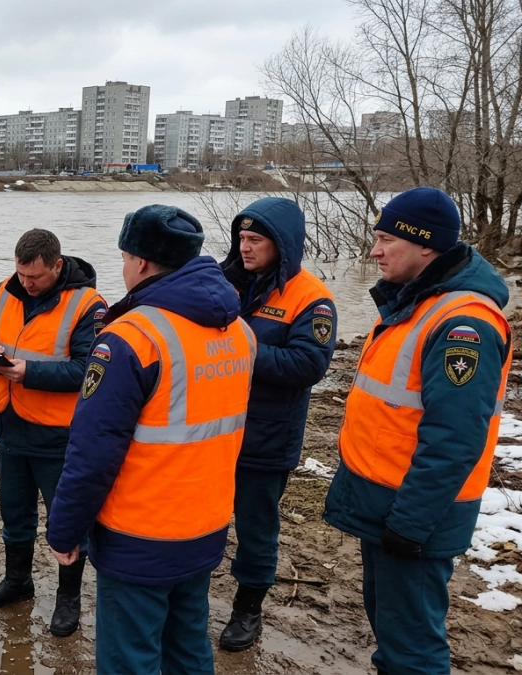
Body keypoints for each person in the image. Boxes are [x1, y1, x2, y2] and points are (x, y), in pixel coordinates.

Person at [46, 205, 256, 674]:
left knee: (129, 659)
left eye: (124, 258)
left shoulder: (131, 338)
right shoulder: (239, 330)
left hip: (140, 534)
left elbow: (92, 453)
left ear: (139, 262)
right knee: (188, 647)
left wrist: (64, 529)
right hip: (207, 523)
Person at [324, 187, 511, 674]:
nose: (374, 250)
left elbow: (456, 437)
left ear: (425, 244)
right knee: (395, 633)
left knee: (411, 648)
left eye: (386, 239)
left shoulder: (461, 324)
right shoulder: (418, 303)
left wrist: (409, 524)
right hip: (390, 505)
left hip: (413, 515)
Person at [0, 228, 107, 637]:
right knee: (15, 512)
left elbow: (88, 371)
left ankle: (68, 600)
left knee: (66, 520)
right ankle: (18, 581)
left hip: (57, 434)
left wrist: (28, 372)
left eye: (36, 278)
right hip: (9, 424)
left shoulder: (88, 305)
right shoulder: (4, 291)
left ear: (58, 266)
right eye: (22, 275)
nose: (27, 284)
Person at [217, 198, 337, 651]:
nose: (245, 248)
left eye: (255, 240)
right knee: (203, 515)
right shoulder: (226, 283)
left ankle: (248, 608)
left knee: (256, 528)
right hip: (212, 430)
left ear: (281, 244)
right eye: (241, 239)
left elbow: (308, 364)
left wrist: (243, 351)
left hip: (267, 439)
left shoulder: (312, 298)